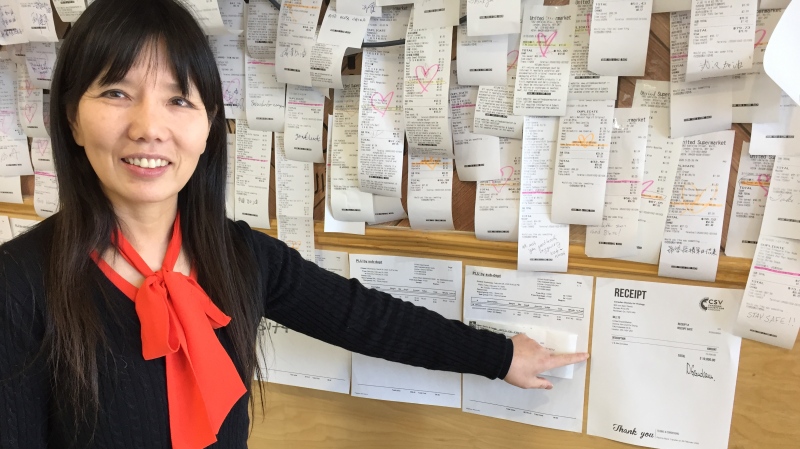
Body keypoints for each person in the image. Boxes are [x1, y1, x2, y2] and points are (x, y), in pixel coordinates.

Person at [0, 0, 589, 447]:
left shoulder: (239, 256)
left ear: (208, 129)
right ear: (73, 121)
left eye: (179, 100)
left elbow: (365, 319)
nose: (149, 127)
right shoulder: (19, 285)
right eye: (116, 92)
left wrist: (499, 356)